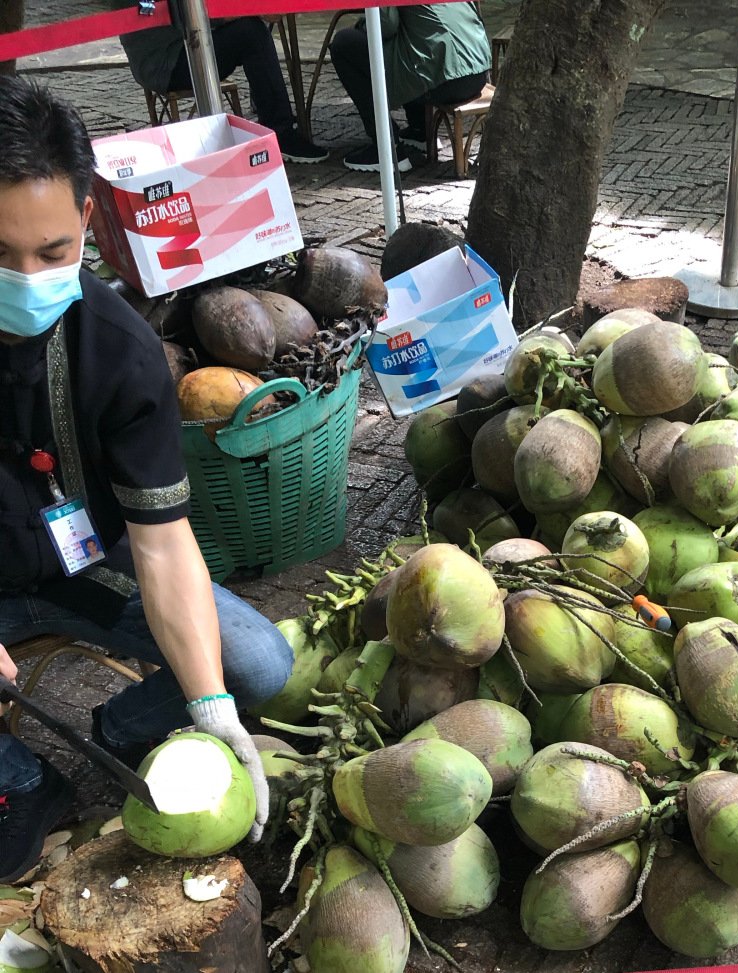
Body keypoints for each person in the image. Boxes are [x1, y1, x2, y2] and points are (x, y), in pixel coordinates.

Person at [0, 77, 294, 885]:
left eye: (52, 252)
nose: (26, 278)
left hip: (92, 567)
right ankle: (22, 781)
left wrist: (210, 708)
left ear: (87, 224)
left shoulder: (119, 349)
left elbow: (163, 546)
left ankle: (129, 728)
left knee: (257, 667)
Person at [118, 12, 327, 164]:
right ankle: (281, 133)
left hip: (173, 50)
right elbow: (188, 13)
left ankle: (273, 115)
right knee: (250, 33)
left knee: (250, 28)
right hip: (168, 61)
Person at [330, 3, 491, 173]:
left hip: (446, 79)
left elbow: (385, 24)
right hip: (478, 72)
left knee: (344, 43)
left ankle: (387, 148)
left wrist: (361, 24)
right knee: (414, 32)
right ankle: (420, 129)